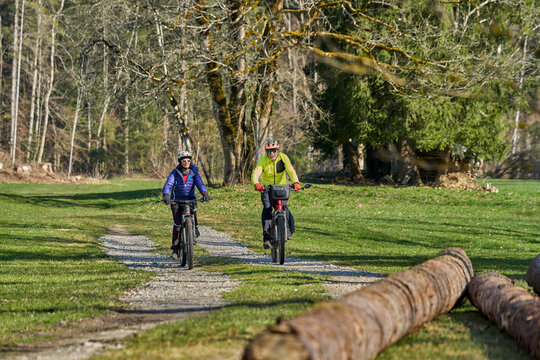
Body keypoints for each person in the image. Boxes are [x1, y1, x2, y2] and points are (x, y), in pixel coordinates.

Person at [251, 139, 301, 249]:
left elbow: (291, 170)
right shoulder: (263, 160)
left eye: (273, 150)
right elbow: (256, 172)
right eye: (269, 151)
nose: (271, 153)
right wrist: (257, 184)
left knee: (284, 208)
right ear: (266, 152)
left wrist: (296, 182)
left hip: (281, 188)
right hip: (267, 189)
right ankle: (267, 238)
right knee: (267, 208)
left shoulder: (283, 158)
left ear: (278, 150)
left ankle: (287, 230)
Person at [163, 151, 212, 260]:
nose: (186, 163)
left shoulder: (194, 172)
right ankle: (175, 250)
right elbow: (168, 184)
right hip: (176, 200)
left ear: (191, 162)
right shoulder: (175, 172)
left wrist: (205, 193)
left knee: (193, 213)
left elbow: (200, 183)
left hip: (190, 199)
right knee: (177, 225)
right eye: (184, 161)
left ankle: (193, 229)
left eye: (188, 161)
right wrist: (166, 194)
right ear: (180, 162)